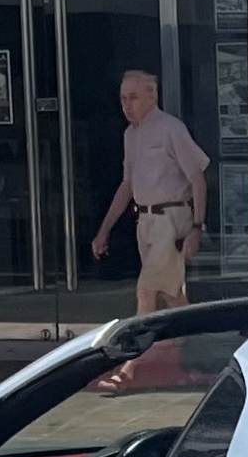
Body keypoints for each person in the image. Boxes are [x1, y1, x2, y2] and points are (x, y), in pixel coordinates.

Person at [90, 70, 210, 313]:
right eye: (123, 98)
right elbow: (127, 186)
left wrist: (196, 228)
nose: (127, 105)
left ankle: (140, 349)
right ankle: (193, 341)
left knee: (146, 291)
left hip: (171, 218)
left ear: (151, 97)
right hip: (145, 221)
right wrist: (104, 231)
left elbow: (197, 179)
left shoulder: (171, 128)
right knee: (170, 294)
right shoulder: (130, 135)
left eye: (133, 97)